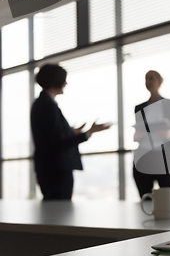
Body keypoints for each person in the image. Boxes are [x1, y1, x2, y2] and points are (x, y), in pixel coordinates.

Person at [31, 64, 111, 200]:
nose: (66, 83)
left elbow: (51, 136)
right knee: (59, 212)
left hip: (49, 169)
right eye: (63, 79)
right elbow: (57, 143)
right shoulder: (47, 106)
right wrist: (88, 133)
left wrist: (70, 131)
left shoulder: (42, 103)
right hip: (56, 170)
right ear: (55, 80)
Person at [133, 70, 170, 198]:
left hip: (164, 156)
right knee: (145, 198)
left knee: (168, 198)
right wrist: (138, 135)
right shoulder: (139, 108)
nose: (148, 82)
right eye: (146, 79)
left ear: (159, 81)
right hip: (143, 156)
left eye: (151, 78)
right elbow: (138, 131)